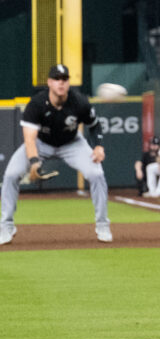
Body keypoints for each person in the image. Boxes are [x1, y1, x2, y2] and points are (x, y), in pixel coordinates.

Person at [1, 64, 112, 244]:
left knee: (96, 174)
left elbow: (95, 125)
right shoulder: (36, 104)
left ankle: (102, 225)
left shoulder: (79, 102)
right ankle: (6, 226)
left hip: (72, 143)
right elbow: (29, 139)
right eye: (57, 79)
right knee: (11, 174)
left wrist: (98, 146)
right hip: (41, 143)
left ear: (68, 82)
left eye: (65, 79)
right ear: (50, 82)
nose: (61, 83)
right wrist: (34, 162)